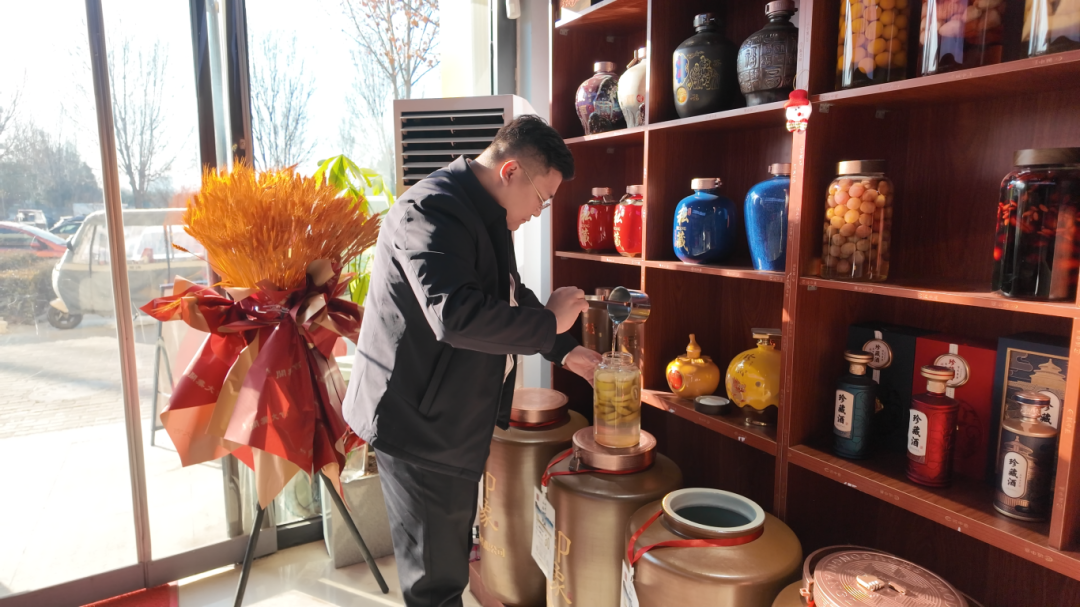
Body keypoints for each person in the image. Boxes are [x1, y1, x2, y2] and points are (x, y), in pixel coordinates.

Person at [342, 115, 601, 607]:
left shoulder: (483, 211)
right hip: (419, 427)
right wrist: (549, 321)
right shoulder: (430, 208)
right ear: (510, 171)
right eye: (542, 199)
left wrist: (567, 351)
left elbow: (506, 295)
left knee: (448, 559)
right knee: (435, 585)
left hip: (450, 420)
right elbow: (456, 316)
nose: (539, 212)